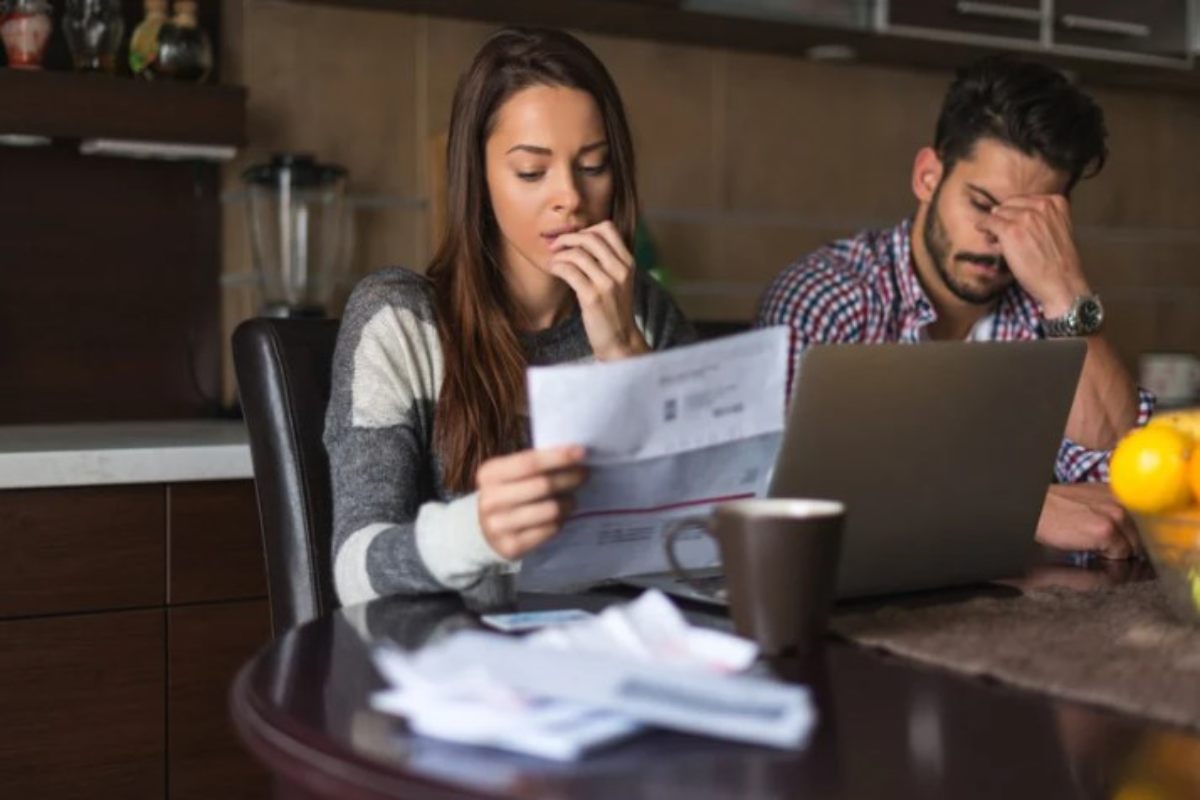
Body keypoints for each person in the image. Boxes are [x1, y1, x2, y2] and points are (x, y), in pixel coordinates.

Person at [325, 28, 695, 605]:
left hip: (615, 654)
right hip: (456, 666)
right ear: (480, 177)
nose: (569, 196)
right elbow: (354, 571)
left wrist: (624, 352)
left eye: (593, 166)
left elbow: (703, 542)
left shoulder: (645, 313)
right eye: (531, 172)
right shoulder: (400, 321)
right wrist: (477, 532)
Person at [756, 56, 1152, 559]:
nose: (997, 238)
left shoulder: (1047, 312)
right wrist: (1019, 507)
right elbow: (784, 507)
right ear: (927, 176)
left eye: (1028, 220)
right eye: (983, 205)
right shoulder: (830, 297)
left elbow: (1131, 489)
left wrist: (1067, 292)